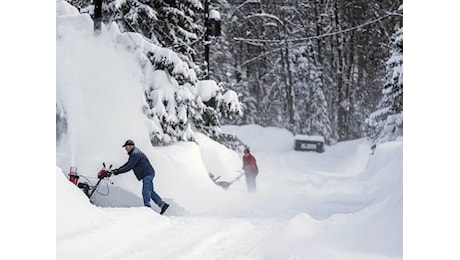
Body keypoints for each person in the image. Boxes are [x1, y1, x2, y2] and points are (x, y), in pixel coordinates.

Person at [111, 139, 169, 215]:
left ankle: (147, 209)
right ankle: (163, 205)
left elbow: (129, 166)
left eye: (126, 147)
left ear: (131, 146)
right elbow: (128, 164)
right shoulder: (134, 154)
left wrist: (118, 171)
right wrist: (117, 170)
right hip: (149, 173)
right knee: (150, 192)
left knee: (145, 191)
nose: (125, 149)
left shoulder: (135, 154)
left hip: (147, 174)